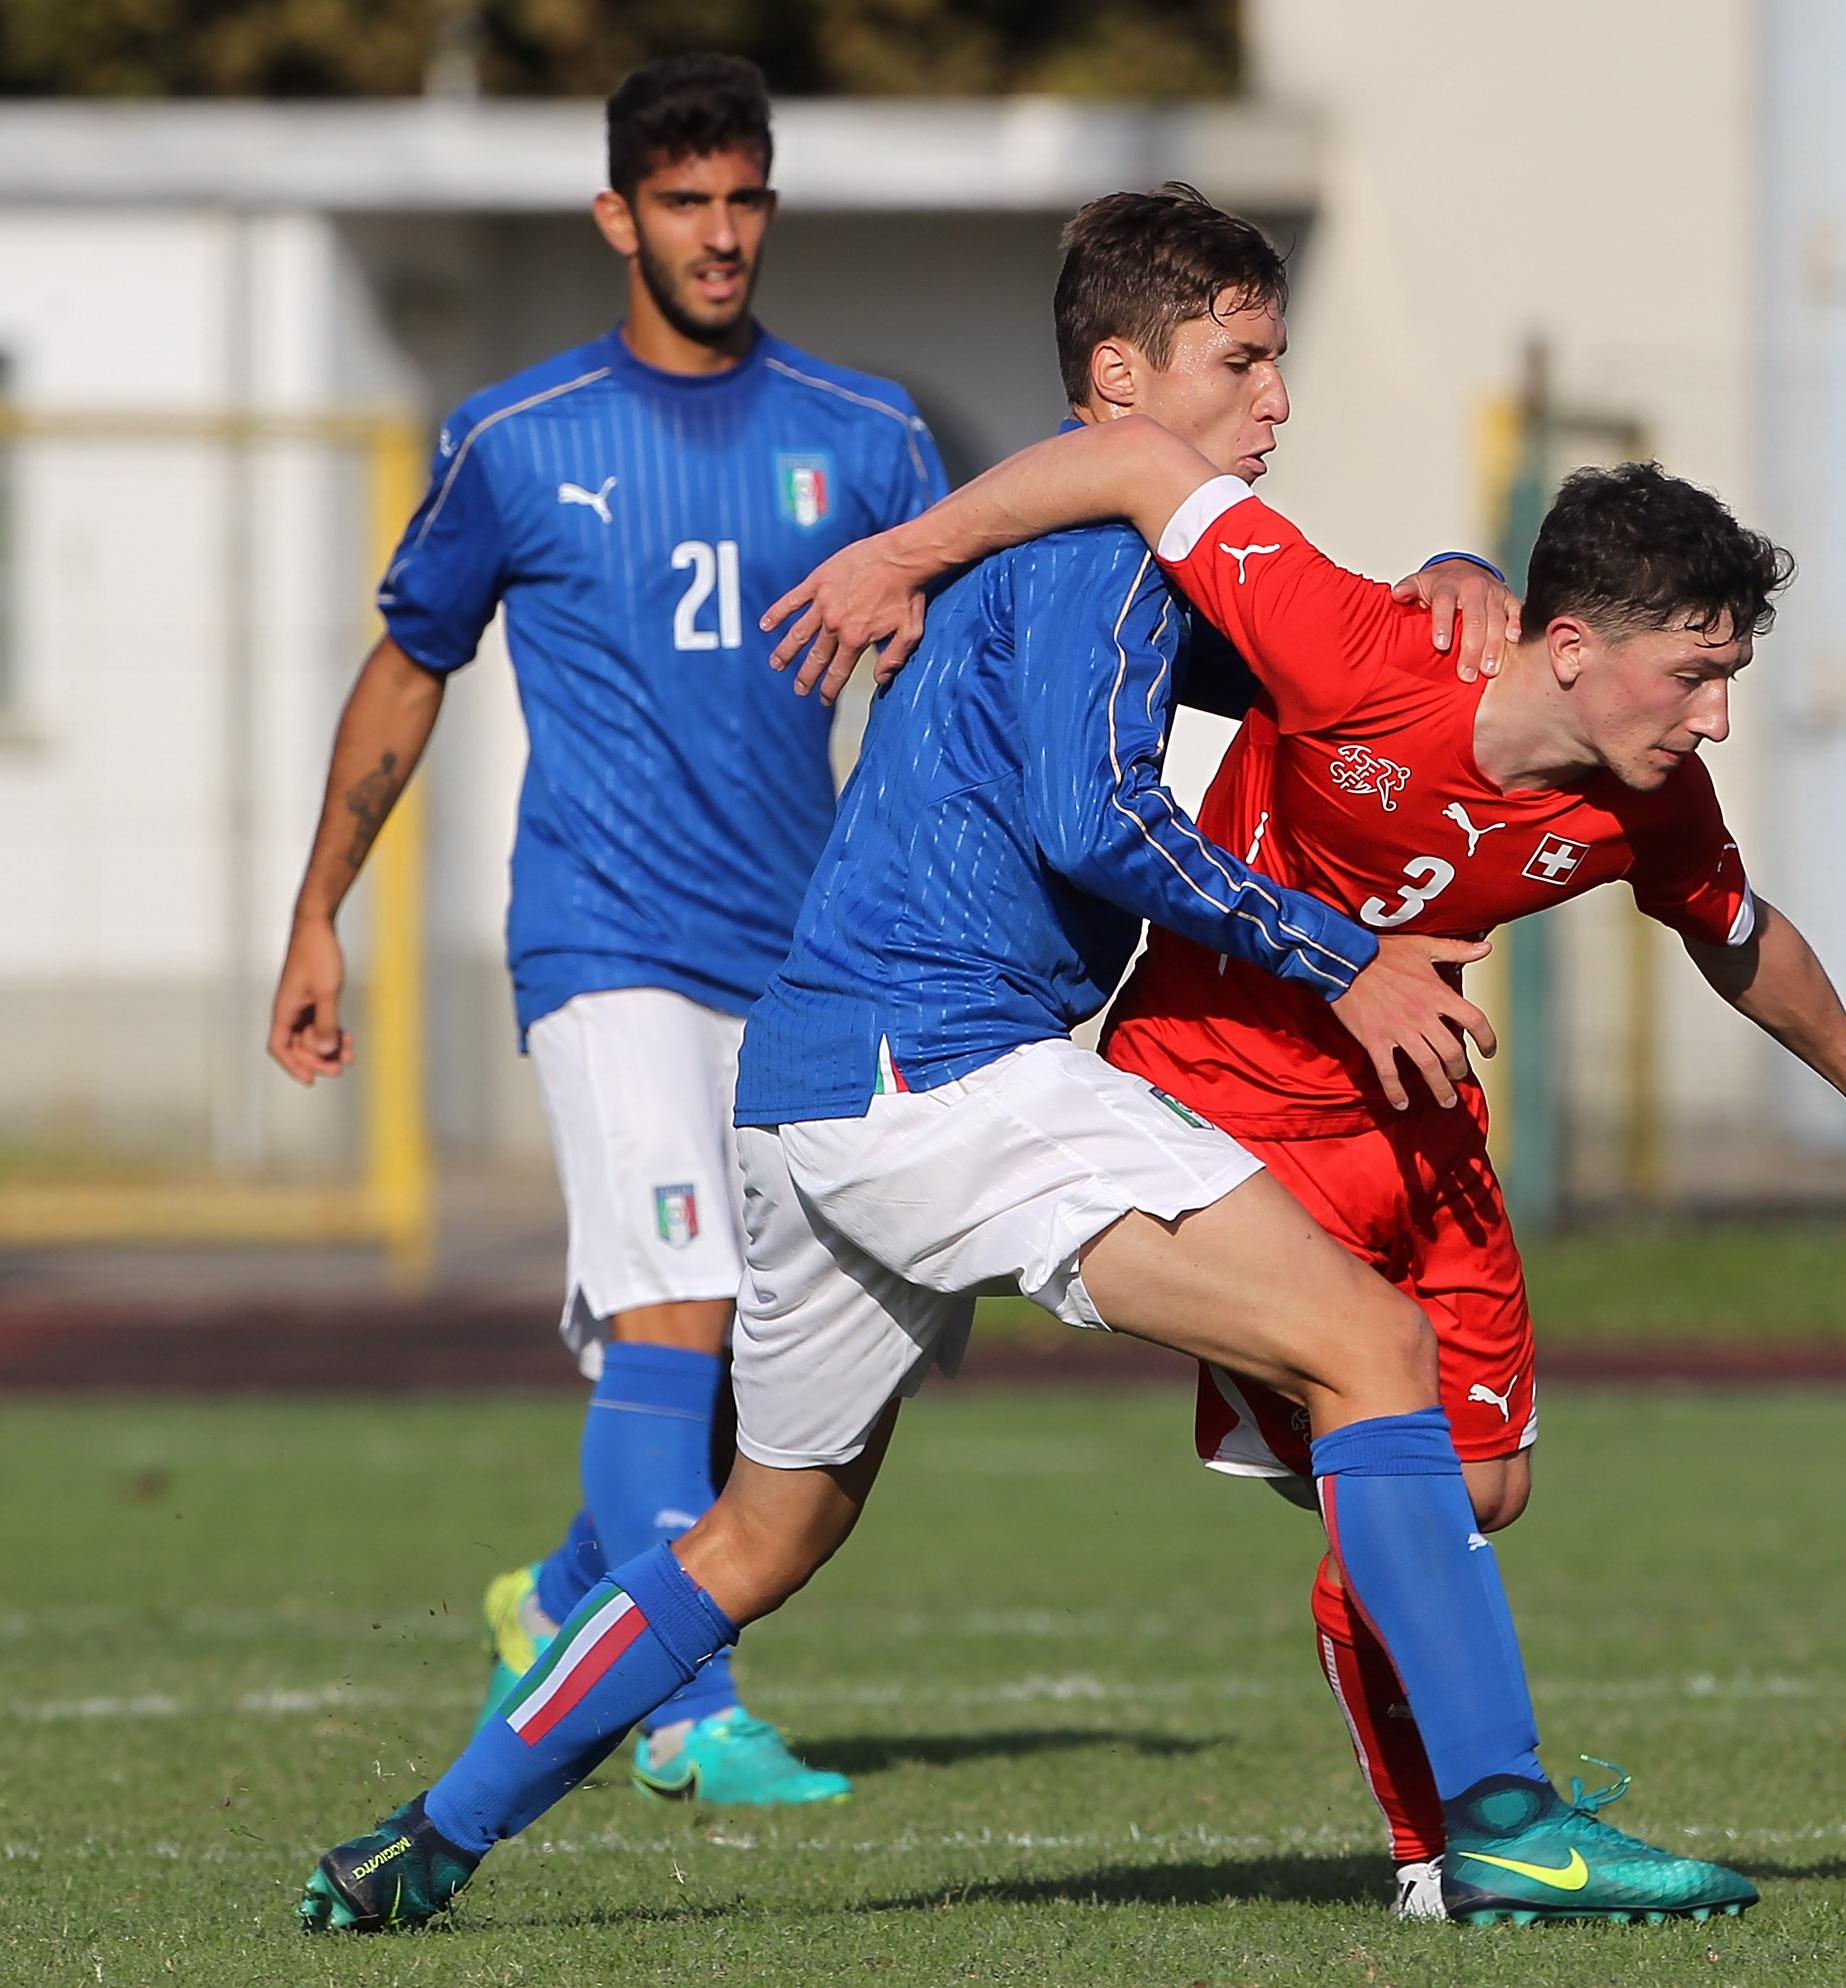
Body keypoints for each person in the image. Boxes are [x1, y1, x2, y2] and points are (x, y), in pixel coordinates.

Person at [297, 185, 1758, 1934]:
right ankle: (1504, 1817)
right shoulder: (1097, 555)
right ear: (1126, 380)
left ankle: (425, 1839)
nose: (1277, 397)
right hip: (943, 1066)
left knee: (758, 1537)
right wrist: (1341, 953)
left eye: (1280, 358)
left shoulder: (1098, 554)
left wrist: (1447, 578)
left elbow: (1322, 671)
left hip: (815, 1082)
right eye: (1245, 360)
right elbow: (1101, 818)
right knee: (1373, 1343)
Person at [767, 415, 1846, 1918]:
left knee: (1485, 1482)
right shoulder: (1359, 649)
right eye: (1695, 677)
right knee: (1385, 1415)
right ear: (1575, 645)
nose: (1715, 721)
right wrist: (897, 556)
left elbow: (1735, 932)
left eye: (1728, 680)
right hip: (1228, 1097)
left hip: (1416, 1125)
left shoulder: (1643, 796)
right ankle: (1449, 1849)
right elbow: (1140, 462)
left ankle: (1464, 1825)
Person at [265, 53, 944, 1805]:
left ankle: (557, 1598)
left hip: (800, 963)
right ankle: (684, 1707)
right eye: (686, 203)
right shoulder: (516, 439)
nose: (722, 236)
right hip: (602, 941)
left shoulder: (866, 438)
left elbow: (952, 689)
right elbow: (410, 666)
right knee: (678, 1313)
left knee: (744, 1382)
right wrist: (318, 909)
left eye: (745, 200)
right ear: (615, 218)